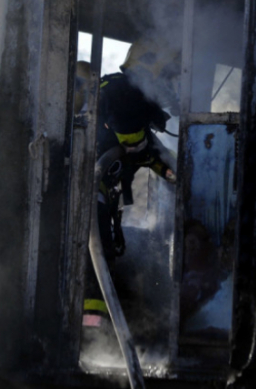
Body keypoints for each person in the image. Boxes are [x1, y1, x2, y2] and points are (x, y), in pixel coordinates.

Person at [81, 38, 179, 341]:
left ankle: (95, 336)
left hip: (98, 200)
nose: (171, 86)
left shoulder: (135, 105)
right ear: (152, 67)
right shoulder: (121, 90)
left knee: (102, 263)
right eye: (169, 76)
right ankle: (89, 339)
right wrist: (144, 148)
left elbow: (156, 157)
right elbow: (134, 141)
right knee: (93, 271)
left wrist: (176, 173)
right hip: (85, 198)